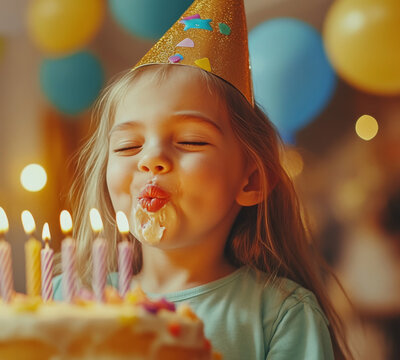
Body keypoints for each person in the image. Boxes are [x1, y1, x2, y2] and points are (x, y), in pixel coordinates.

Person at [54, 0, 349, 358]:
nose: (151, 160)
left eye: (190, 141)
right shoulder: (68, 298)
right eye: (129, 146)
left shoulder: (280, 315)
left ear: (251, 180)